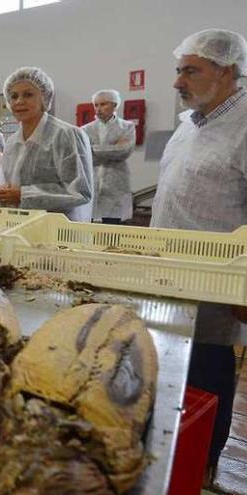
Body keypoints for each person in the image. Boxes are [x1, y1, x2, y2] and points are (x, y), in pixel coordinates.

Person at [151, 28, 247, 477]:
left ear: (227, 71)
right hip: (165, 279)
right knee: (169, 376)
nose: (177, 81)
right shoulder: (189, 125)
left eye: (191, 70)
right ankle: (169, 458)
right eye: (178, 70)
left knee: (208, 376)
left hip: (215, 286)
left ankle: (201, 467)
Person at [0, 67, 94, 221]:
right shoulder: (12, 142)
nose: (19, 101)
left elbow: (80, 192)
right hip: (20, 226)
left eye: (28, 95)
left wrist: (23, 195)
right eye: (13, 96)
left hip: (59, 230)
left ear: (44, 98)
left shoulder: (66, 135)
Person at [81, 89, 136, 224]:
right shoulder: (84, 130)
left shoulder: (127, 127)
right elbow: (83, 155)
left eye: (103, 104)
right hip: (91, 182)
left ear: (115, 105)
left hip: (116, 183)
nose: (99, 109)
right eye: (96, 105)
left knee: (113, 227)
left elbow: (124, 151)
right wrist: (113, 148)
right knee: (88, 226)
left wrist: (92, 149)